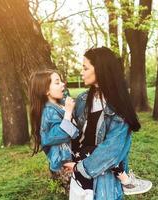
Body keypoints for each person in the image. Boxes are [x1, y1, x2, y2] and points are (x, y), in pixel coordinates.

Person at [28, 69, 151, 199]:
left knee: (104, 154)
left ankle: (126, 181)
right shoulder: (48, 111)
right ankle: (127, 181)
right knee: (106, 154)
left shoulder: (59, 105)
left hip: (73, 150)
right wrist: (68, 114)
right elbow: (56, 136)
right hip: (65, 156)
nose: (63, 84)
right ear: (46, 90)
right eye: (57, 83)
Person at [63, 47, 152, 200]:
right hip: (80, 175)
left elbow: (112, 150)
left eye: (85, 68)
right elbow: (75, 135)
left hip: (103, 179)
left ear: (100, 70)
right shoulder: (82, 100)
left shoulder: (119, 105)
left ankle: (128, 182)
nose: (82, 72)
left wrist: (80, 168)